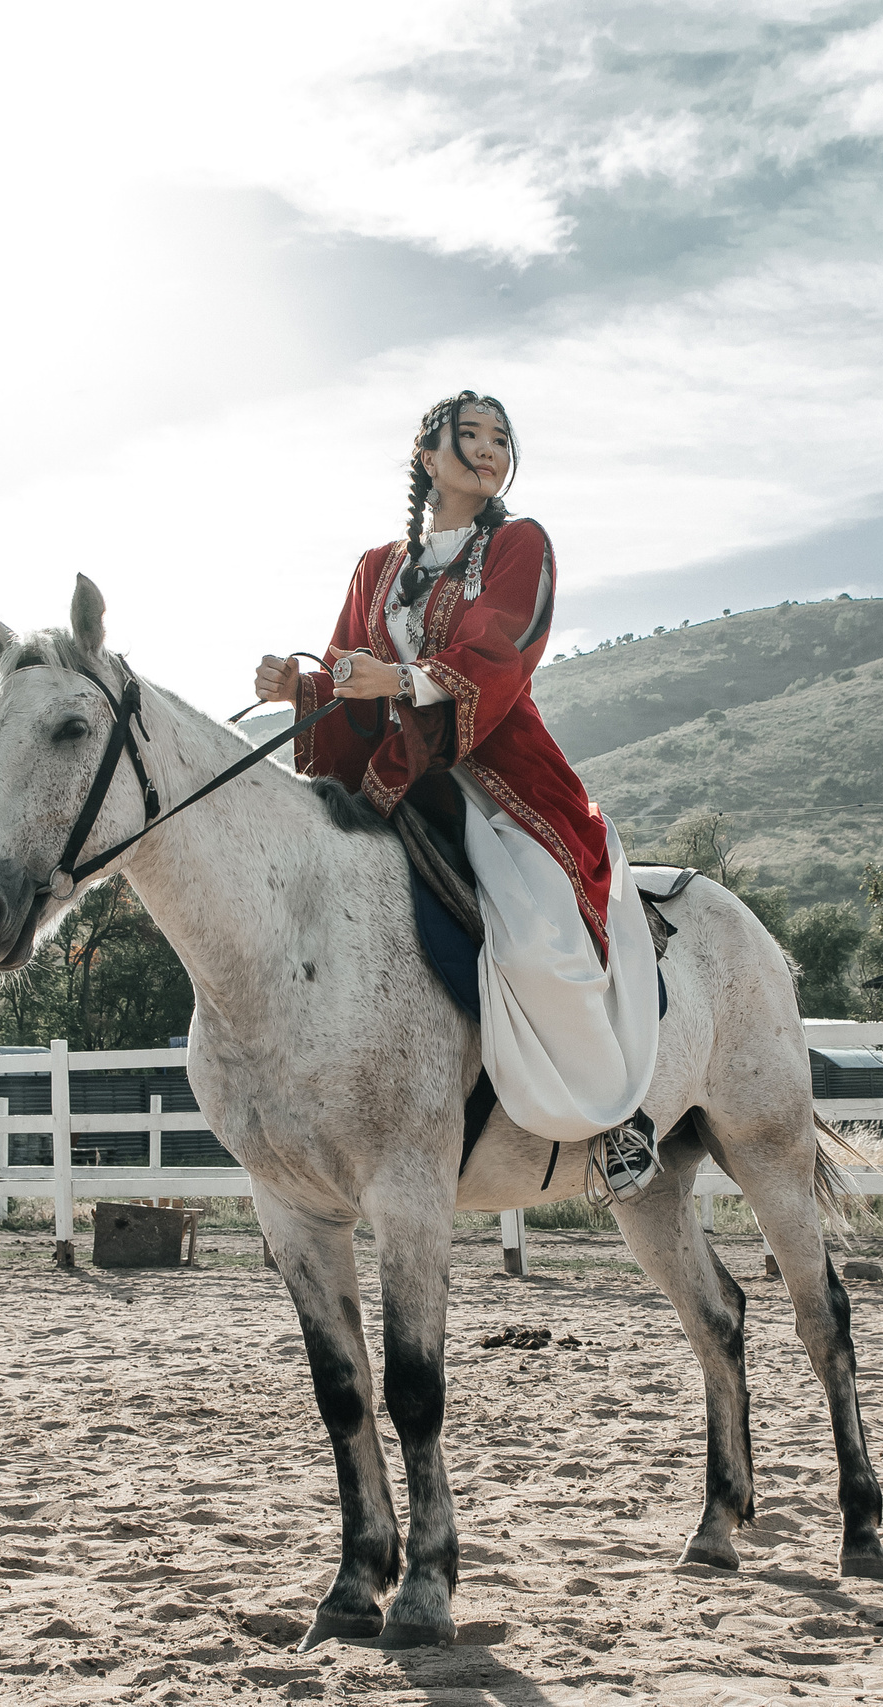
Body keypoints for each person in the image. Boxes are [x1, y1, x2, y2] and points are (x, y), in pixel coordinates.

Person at [252, 390, 663, 1203]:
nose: (489, 448)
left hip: (499, 774)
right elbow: (348, 676)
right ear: (426, 456)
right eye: (469, 434)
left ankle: (619, 1116)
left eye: (502, 438)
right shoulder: (376, 568)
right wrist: (300, 688)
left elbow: (501, 647)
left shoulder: (519, 544)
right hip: (397, 779)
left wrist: (400, 677)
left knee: (538, 927)